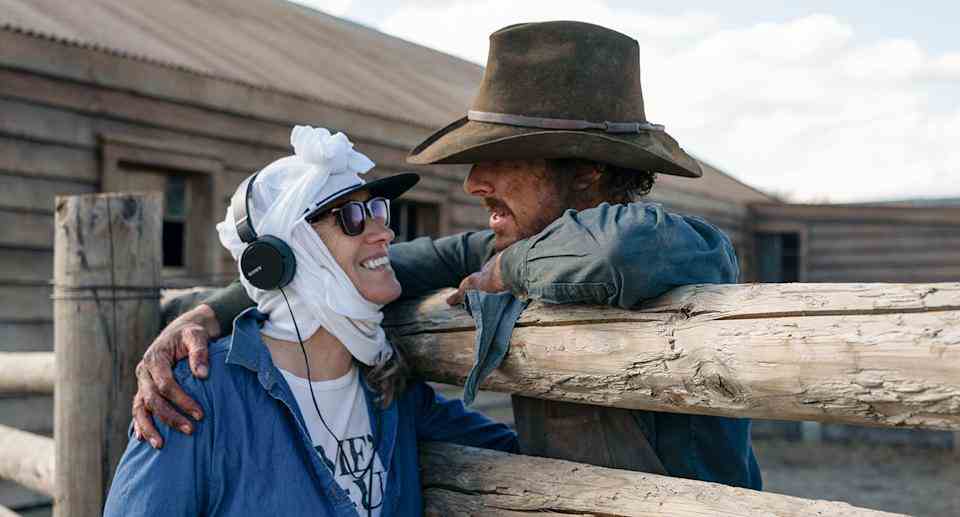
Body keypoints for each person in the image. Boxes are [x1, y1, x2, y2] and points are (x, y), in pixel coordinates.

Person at [133, 21, 761, 489]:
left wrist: (501, 273)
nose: (474, 183)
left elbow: (615, 256)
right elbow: (353, 269)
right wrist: (209, 315)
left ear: (587, 172)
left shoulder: (675, 243)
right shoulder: (511, 243)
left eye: (503, 157)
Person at [104, 126, 517, 516]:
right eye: (353, 218)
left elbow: (525, 458)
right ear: (281, 255)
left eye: (378, 211)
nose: (384, 232)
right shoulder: (196, 396)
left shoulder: (392, 393)